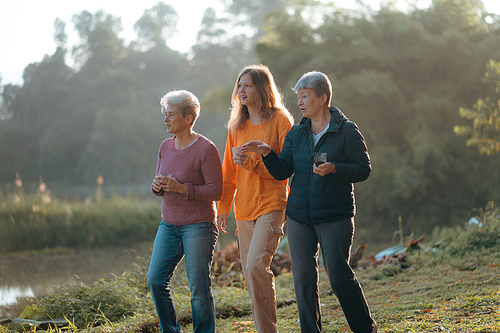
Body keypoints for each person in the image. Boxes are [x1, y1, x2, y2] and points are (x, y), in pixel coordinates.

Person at [241, 71, 378, 333]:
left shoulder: (346, 130)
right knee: (303, 281)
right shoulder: (297, 133)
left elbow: (363, 169)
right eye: (298, 97)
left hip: (334, 215)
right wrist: (268, 153)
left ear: (323, 98)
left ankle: (365, 328)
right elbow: (283, 171)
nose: (300, 102)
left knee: (338, 276)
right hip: (299, 218)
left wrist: (335, 168)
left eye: (305, 96)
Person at [217, 64, 294, 333]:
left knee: (254, 265)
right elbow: (228, 173)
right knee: (251, 275)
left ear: (262, 88)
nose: (241, 89)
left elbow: (285, 168)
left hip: (272, 204)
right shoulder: (236, 126)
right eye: (239, 85)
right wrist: (223, 208)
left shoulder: (280, 120)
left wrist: (252, 164)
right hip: (244, 208)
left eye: (247, 85)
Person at [147, 90, 223, 333]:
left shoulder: (206, 149)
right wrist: (157, 187)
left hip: (198, 225)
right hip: (169, 224)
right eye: (165, 115)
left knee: (199, 288)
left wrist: (183, 189)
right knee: (155, 280)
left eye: (171, 115)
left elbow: (215, 191)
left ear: (188, 118)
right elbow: (159, 181)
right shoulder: (165, 146)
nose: (166, 119)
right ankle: (170, 330)